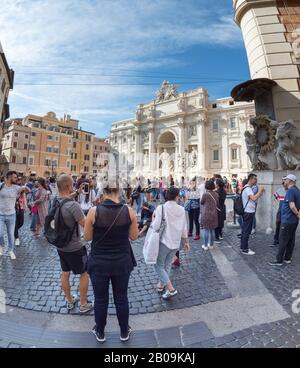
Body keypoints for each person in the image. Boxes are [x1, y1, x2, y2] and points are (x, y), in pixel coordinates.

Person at [84, 180, 139, 343]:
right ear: (119, 191)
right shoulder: (128, 211)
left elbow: (87, 237)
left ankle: (100, 331)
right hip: (122, 261)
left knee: (100, 299)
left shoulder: (94, 211)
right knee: (121, 298)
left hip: (99, 261)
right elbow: (134, 237)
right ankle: (124, 331)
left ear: (103, 191)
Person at [55, 175, 93, 313]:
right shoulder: (73, 206)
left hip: (61, 246)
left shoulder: (56, 201)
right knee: (84, 273)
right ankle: (83, 304)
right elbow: (85, 224)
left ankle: (70, 301)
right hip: (75, 247)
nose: (74, 186)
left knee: (65, 273)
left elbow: (66, 198)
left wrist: (77, 193)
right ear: (68, 186)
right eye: (72, 185)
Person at [152, 187, 190, 299]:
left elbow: (156, 226)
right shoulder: (181, 209)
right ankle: (161, 284)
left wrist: (153, 219)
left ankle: (170, 288)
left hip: (164, 241)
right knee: (167, 264)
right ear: (177, 196)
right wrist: (186, 242)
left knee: (158, 265)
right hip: (176, 242)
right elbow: (184, 227)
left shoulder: (161, 208)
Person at [269, 174, 300, 266]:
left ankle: (279, 261)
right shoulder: (297, 190)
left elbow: (292, 206)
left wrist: (298, 214)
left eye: (285, 180)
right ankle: (287, 258)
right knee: (291, 240)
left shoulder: (290, 191)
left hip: (287, 220)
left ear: (290, 181)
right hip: (293, 221)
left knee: (282, 240)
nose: (284, 182)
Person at [0, 171, 30, 260]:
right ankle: (1, 245)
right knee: (0, 233)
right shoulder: (1, 186)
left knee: (10, 234)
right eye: (15, 177)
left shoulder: (16, 187)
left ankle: (10, 250)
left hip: (11, 215)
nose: (16, 179)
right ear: (9, 177)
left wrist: (26, 188)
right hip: (0, 214)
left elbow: (28, 190)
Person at [240, 173, 265, 255]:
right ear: (250, 179)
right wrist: (260, 191)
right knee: (246, 231)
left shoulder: (247, 188)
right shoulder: (248, 189)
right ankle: (245, 249)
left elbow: (253, 198)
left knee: (244, 230)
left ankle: (242, 247)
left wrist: (260, 194)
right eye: (255, 179)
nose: (256, 181)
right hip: (248, 212)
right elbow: (253, 198)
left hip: (247, 211)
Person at [201, 180, 219, 250]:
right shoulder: (216, 194)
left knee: (206, 230)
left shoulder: (205, 194)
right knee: (212, 230)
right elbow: (217, 203)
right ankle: (211, 245)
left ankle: (205, 245)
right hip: (214, 214)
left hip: (206, 214)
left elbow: (202, 202)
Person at [271, 180, 286, 247]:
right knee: (278, 226)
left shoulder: (290, 191)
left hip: (287, 213)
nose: (283, 184)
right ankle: (276, 240)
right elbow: (275, 198)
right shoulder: (280, 190)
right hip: (280, 212)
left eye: (284, 183)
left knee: (285, 227)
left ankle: (283, 241)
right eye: (282, 183)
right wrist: (277, 202)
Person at [14, 177, 27, 246]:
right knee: (15, 222)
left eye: (20, 180)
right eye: (18, 180)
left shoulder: (22, 189)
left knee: (21, 222)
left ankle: (14, 229)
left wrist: (25, 207)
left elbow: (24, 198)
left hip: (21, 207)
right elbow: (14, 197)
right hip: (14, 208)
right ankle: (16, 237)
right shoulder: (14, 189)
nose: (19, 181)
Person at [215, 179, 227, 243]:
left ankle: (217, 237)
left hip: (218, 207)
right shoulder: (224, 191)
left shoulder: (217, 192)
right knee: (221, 222)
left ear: (217, 185)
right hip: (222, 207)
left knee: (217, 222)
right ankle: (220, 235)